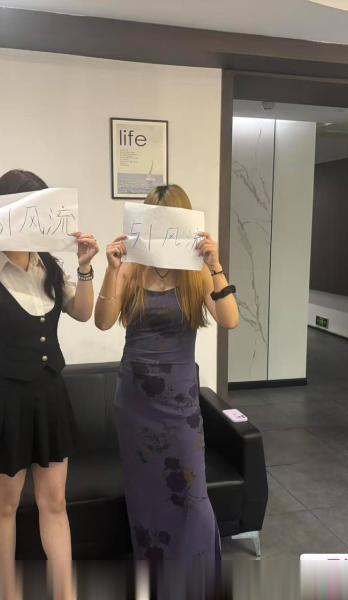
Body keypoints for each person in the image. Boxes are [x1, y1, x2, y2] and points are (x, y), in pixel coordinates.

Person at [0, 169, 99, 600]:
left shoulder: (49, 265)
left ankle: (64, 591)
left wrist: (85, 268)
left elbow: (83, 313)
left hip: (49, 395)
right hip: (5, 399)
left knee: (55, 502)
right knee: (6, 504)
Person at [94, 184, 239, 598]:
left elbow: (230, 319)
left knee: (192, 499)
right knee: (146, 500)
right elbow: (103, 321)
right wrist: (111, 269)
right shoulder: (131, 268)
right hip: (135, 404)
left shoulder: (195, 272)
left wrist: (216, 265)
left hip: (180, 404)